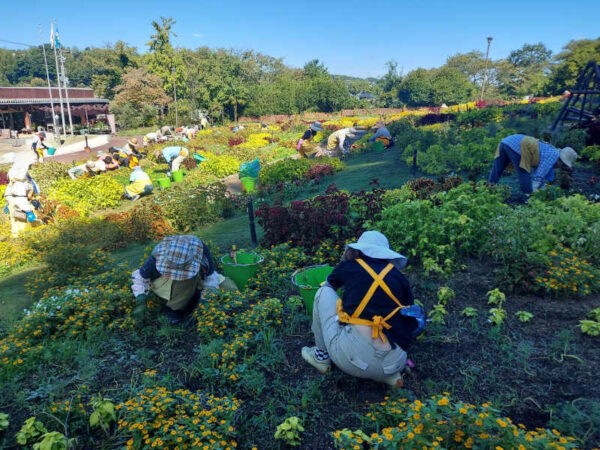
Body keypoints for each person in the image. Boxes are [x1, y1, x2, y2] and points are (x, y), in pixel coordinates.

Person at [302, 231, 423, 388]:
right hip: (396, 361)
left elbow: (329, 285)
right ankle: (390, 375)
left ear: (358, 250)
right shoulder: (399, 277)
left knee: (323, 292)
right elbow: (407, 314)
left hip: (354, 361)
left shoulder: (349, 267)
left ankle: (321, 358)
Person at [130, 235, 234, 324]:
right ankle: (173, 310)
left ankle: (195, 296)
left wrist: (205, 301)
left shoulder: (201, 250)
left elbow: (211, 278)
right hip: (166, 282)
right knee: (185, 282)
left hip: (199, 277)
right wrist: (141, 299)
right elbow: (140, 277)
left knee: (231, 290)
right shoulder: (157, 257)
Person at [488, 134, 579, 194]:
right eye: (562, 165)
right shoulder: (553, 156)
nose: (559, 167)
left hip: (506, 142)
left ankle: (489, 190)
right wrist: (534, 193)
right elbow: (537, 177)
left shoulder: (551, 151)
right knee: (524, 172)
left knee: (497, 169)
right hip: (518, 146)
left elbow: (540, 173)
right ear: (561, 161)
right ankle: (527, 197)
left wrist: (542, 187)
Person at [3, 161, 39, 237]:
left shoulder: (12, 183)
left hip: (15, 205)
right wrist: (29, 212)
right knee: (24, 224)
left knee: (15, 223)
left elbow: (8, 195)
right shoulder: (21, 184)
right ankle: (25, 237)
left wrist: (7, 204)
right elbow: (22, 198)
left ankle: (17, 237)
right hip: (22, 206)